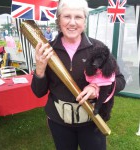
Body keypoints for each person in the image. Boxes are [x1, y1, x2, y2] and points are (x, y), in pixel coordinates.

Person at [31, 0, 126, 149]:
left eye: (78, 17)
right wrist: (40, 69)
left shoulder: (99, 48)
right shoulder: (47, 50)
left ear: (85, 21)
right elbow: (38, 92)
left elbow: (120, 80)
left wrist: (97, 88)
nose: (72, 23)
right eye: (67, 16)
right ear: (59, 19)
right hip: (59, 122)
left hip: (92, 121)